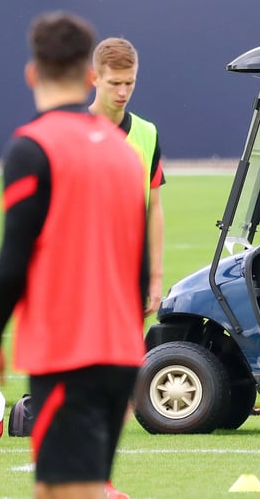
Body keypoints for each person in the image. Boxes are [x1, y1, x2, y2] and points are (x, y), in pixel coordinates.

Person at [0, 11, 149, 499]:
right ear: (91, 77)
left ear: (32, 73)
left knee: (71, 493)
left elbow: (14, 256)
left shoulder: (32, 147)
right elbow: (140, 262)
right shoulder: (123, 151)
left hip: (68, 353)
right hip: (119, 352)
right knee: (62, 489)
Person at [90, 37, 166, 316]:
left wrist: (154, 277)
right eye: (114, 83)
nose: (123, 92)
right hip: (82, 274)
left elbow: (154, 207)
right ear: (94, 78)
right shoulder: (72, 133)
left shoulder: (147, 133)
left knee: (128, 359)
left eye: (129, 83)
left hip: (132, 274)